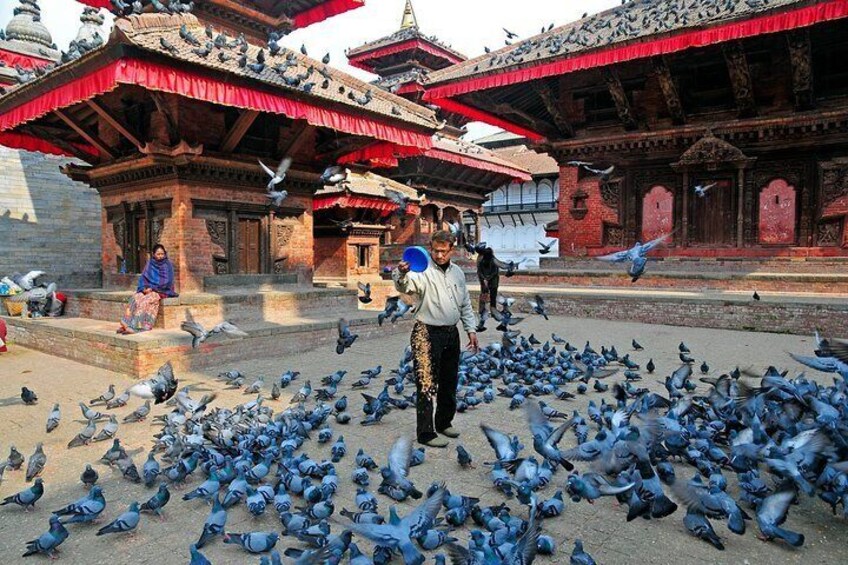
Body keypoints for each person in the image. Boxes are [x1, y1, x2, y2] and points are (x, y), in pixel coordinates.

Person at [393, 230, 478, 448]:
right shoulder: (421, 270)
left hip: (452, 332)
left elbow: (465, 304)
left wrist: (471, 330)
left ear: (453, 249)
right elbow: (405, 285)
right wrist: (401, 274)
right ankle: (426, 433)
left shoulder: (457, 273)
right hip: (426, 333)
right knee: (426, 384)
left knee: (449, 381)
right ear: (430, 248)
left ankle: (443, 423)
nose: (439, 255)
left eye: (443, 251)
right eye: (436, 251)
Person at [118, 244, 178, 334]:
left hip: (162, 290)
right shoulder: (150, 263)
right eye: (158, 254)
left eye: (162, 254)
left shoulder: (167, 265)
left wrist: (152, 288)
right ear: (153, 254)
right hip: (148, 289)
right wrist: (143, 289)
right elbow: (143, 278)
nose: (161, 256)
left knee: (146, 300)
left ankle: (137, 326)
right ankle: (126, 324)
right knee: (135, 297)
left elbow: (167, 282)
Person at [476, 247, 500, 330]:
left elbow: (495, 272)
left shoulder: (493, 261)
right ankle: (482, 311)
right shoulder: (481, 260)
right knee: (484, 296)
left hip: (493, 281)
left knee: (493, 296)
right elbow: (479, 271)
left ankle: (493, 311)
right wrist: (483, 279)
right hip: (484, 281)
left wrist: (487, 278)